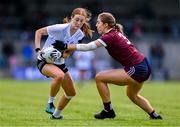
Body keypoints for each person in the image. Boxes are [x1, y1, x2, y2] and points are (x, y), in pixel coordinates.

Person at [54, 12, 162, 120]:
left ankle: (108, 111)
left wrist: (66, 46)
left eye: (98, 22)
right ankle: (154, 115)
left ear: (105, 25)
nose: (96, 25)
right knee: (132, 95)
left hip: (137, 68)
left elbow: (88, 47)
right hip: (143, 64)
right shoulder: (114, 33)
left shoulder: (110, 36)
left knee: (99, 77)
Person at [34, 8, 93, 119]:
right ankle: (50, 103)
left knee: (71, 93)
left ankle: (56, 115)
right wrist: (38, 50)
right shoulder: (60, 28)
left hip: (59, 62)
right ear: (71, 18)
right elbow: (39, 32)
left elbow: (68, 54)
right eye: (76, 20)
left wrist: (61, 55)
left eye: (82, 21)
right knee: (59, 75)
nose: (79, 23)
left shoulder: (80, 35)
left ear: (85, 21)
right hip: (44, 60)